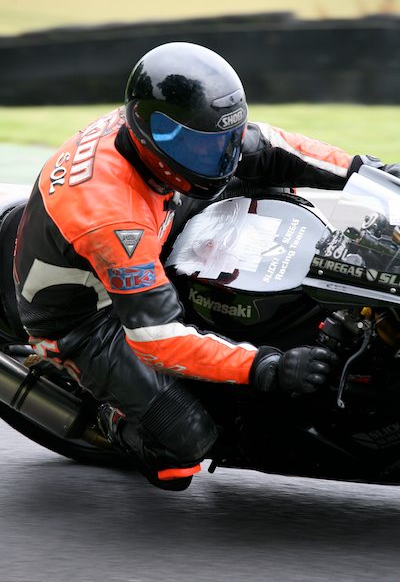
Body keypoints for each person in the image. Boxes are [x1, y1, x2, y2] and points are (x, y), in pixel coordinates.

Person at [13, 42, 398, 491]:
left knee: (269, 181)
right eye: (201, 146)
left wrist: (367, 172)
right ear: (149, 131)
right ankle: (111, 415)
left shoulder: (176, 140)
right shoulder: (112, 216)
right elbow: (156, 339)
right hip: (88, 316)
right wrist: (265, 367)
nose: (220, 156)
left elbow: (271, 146)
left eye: (224, 139)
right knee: (185, 443)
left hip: (161, 219)